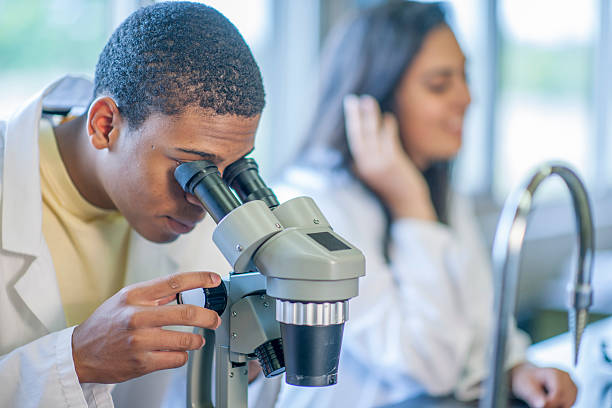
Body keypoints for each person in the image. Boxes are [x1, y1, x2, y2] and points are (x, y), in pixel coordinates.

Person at [269, 2, 578, 407]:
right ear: (374, 102)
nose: (467, 98)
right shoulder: (310, 210)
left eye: (464, 76)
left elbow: (475, 325)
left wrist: (514, 368)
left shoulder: (439, 191)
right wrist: (410, 208)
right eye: (438, 84)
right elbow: (427, 364)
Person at [0, 2, 263, 407]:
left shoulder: (191, 218)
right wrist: (77, 361)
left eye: (229, 172)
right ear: (105, 125)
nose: (207, 204)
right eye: (191, 169)